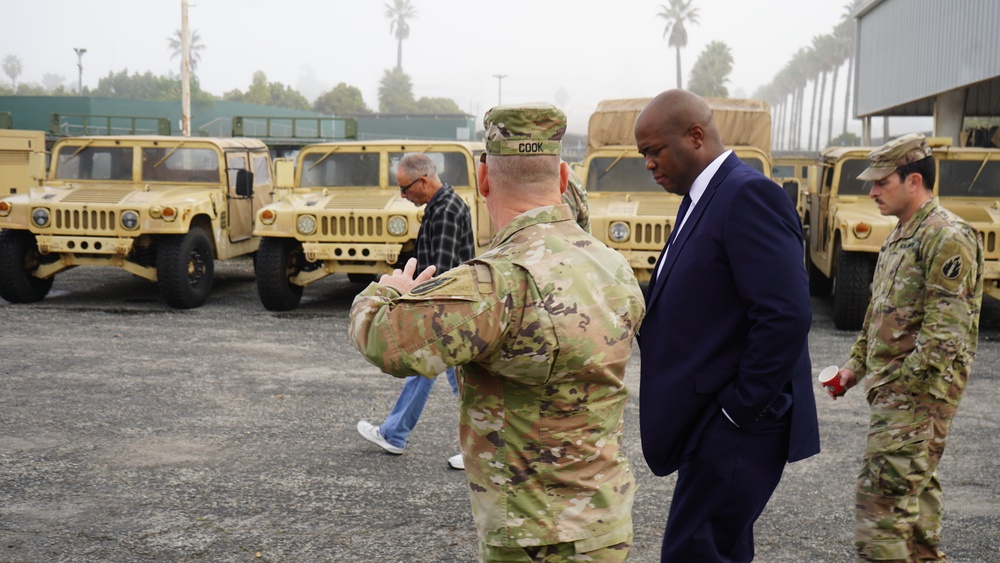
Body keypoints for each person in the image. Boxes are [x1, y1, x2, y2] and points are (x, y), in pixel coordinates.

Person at [349, 103, 644, 562]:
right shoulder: (613, 266)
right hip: (606, 525)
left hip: (534, 538)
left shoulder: (496, 284)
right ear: (562, 177)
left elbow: (382, 339)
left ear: (483, 180)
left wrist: (387, 290)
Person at [632, 89, 820, 562]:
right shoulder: (702, 197)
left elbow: (785, 314)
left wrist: (738, 410)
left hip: (739, 426)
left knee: (693, 552)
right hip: (714, 421)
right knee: (718, 550)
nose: (649, 165)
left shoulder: (746, 194)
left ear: (695, 136)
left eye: (654, 151)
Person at [832, 133, 983, 562]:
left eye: (882, 182)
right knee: (914, 501)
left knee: (880, 507)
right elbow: (879, 311)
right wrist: (854, 367)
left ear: (913, 180)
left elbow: (944, 334)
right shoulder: (902, 234)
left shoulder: (946, 236)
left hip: (916, 398)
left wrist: (902, 389)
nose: (872, 191)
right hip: (898, 396)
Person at [356, 152, 474, 470]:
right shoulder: (440, 206)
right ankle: (394, 433)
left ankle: (482, 449)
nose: (403, 195)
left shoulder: (446, 210)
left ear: (423, 181)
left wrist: (421, 312)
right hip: (447, 310)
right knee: (426, 370)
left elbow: (441, 271)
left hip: (447, 311)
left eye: (405, 188)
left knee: (463, 381)